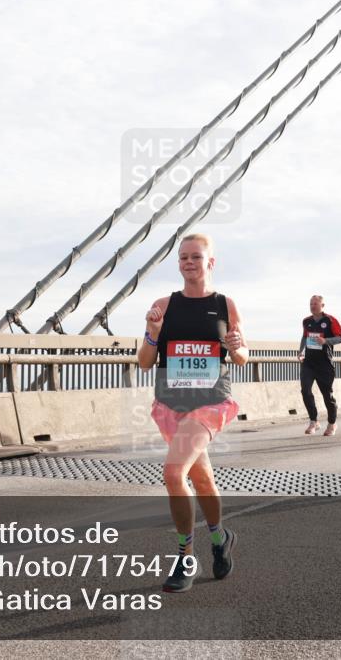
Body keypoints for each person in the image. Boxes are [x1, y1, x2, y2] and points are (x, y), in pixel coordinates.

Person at [138, 233, 245, 593]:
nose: (188, 263)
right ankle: (220, 538)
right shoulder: (163, 305)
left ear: (210, 262)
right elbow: (144, 362)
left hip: (210, 401)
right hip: (171, 403)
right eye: (183, 257)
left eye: (196, 257)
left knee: (173, 472)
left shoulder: (225, 305)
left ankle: (186, 555)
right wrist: (153, 333)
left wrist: (237, 347)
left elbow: (242, 355)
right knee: (200, 480)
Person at [297, 295, 341, 437]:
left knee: (327, 396)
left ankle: (332, 423)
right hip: (309, 362)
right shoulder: (307, 321)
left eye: (315, 304)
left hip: (324, 364)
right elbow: (304, 337)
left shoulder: (330, 320)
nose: (313, 306)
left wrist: (325, 341)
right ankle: (313, 421)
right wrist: (300, 351)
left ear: (322, 305)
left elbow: (340, 338)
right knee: (305, 390)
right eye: (311, 304)